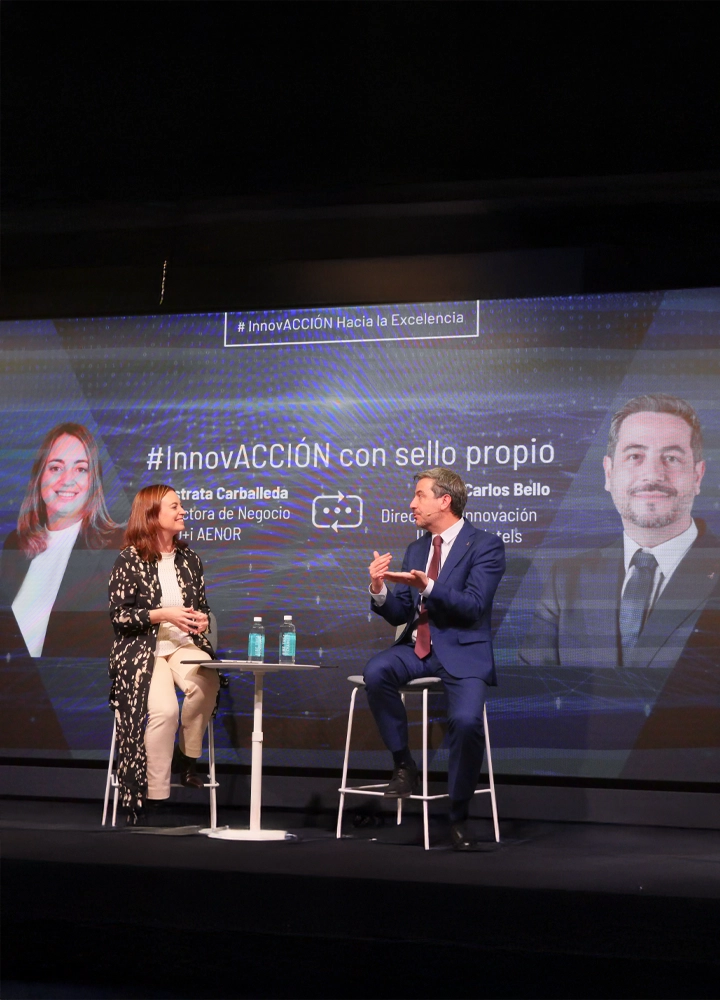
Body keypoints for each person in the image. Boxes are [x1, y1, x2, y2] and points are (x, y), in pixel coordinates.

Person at [519, 394, 720, 777]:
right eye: (635, 456)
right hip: (572, 798)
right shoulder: (567, 579)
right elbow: (534, 694)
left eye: (672, 457)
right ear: (609, 474)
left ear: (698, 475)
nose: (653, 474)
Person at [365, 467, 506, 850]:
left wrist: (428, 585)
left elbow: (474, 605)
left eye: (420, 495)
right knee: (376, 671)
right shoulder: (416, 548)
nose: (412, 504)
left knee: (464, 721)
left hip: (463, 650)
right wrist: (379, 590)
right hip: (417, 650)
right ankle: (403, 764)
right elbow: (400, 614)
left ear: (445, 500)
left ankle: (458, 815)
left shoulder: (486, 546)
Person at [108, 484, 220, 823]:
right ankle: (154, 794)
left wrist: (201, 620)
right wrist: (163, 614)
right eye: (175, 506)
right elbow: (120, 617)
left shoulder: (190, 560)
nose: (182, 511)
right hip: (143, 651)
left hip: (183, 645)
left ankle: (187, 759)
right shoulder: (129, 559)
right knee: (165, 710)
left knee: (207, 681)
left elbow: (200, 608)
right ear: (153, 515)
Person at [0, 421, 123, 658]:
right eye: (56, 468)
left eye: (80, 469)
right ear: (39, 476)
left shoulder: (117, 547)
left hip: (73, 691)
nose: (67, 479)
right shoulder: (15, 544)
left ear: (93, 481)